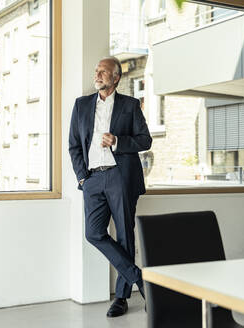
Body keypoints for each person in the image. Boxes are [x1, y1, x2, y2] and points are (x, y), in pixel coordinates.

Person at [68, 56, 152, 317]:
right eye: (97, 70)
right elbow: (73, 145)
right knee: (94, 233)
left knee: (125, 236)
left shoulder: (130, 105)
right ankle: (140, 278)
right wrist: (83, 178)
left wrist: (117, 141)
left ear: (116, 77)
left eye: (104, 71)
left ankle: (122, 298)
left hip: (120, 176)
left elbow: (145, 140)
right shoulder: (81, 106)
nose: (99, 74)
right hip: (92, 179)